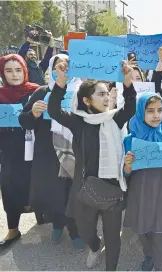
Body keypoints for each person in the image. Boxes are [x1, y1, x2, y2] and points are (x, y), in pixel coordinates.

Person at [47, 59, 136, 270]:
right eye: (101, 94)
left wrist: (127, 81)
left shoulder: (115, 119)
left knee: (113, 237)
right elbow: (52, 110)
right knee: (86, 231)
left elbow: (130, 106)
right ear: (87, 100)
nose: (106, 98)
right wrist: (61, 81)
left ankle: (110, 267)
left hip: (113, 188)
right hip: (84, 189)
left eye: (107, 93)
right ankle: (95, 247)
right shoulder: (78, 122)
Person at [18, 54, 84, 250]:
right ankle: (57, 224)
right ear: (51, 69)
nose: (63, 68)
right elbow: (24, 121)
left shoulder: (81, 92)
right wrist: (34, 113)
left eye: (67, 65)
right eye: (58, 65)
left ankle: (75, 230)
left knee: (73, 191)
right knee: (54, 191)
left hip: (74, 149)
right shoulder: (42, 91)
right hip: (48, 152)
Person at [123, 92, 162, 271]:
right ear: (141, 112)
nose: (156, 115)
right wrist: (127, 164)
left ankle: (160, 266)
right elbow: (126, 173)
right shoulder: (130, 139)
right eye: (150, 111)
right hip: (141, 194)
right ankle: (149, 254)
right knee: (143, 232)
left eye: (159, 110)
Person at [0, 54, 39, 248]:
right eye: (8, 70)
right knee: (9, 186)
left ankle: (44, 217)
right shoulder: (0, 94)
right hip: (8, 148)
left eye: (18, 70)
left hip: (33, 146)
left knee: (36, 182)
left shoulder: (35, 92)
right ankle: (13, 229)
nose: (14, 74)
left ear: (24, 70)